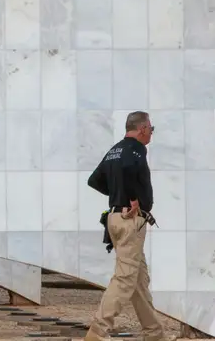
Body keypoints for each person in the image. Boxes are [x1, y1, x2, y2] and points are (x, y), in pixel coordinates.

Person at [84, 111, 172, 341]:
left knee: (138, 281)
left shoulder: (115, 150)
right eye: (151, 130)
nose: (151, 134)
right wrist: (132, 197)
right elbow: (130, 170)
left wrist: (117, 193)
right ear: (142, 128)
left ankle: (155, 334)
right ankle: (98, 331)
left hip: (115, 218)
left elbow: (94, 180)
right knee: (124, 279)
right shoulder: (136, 149)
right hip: (129, 220)